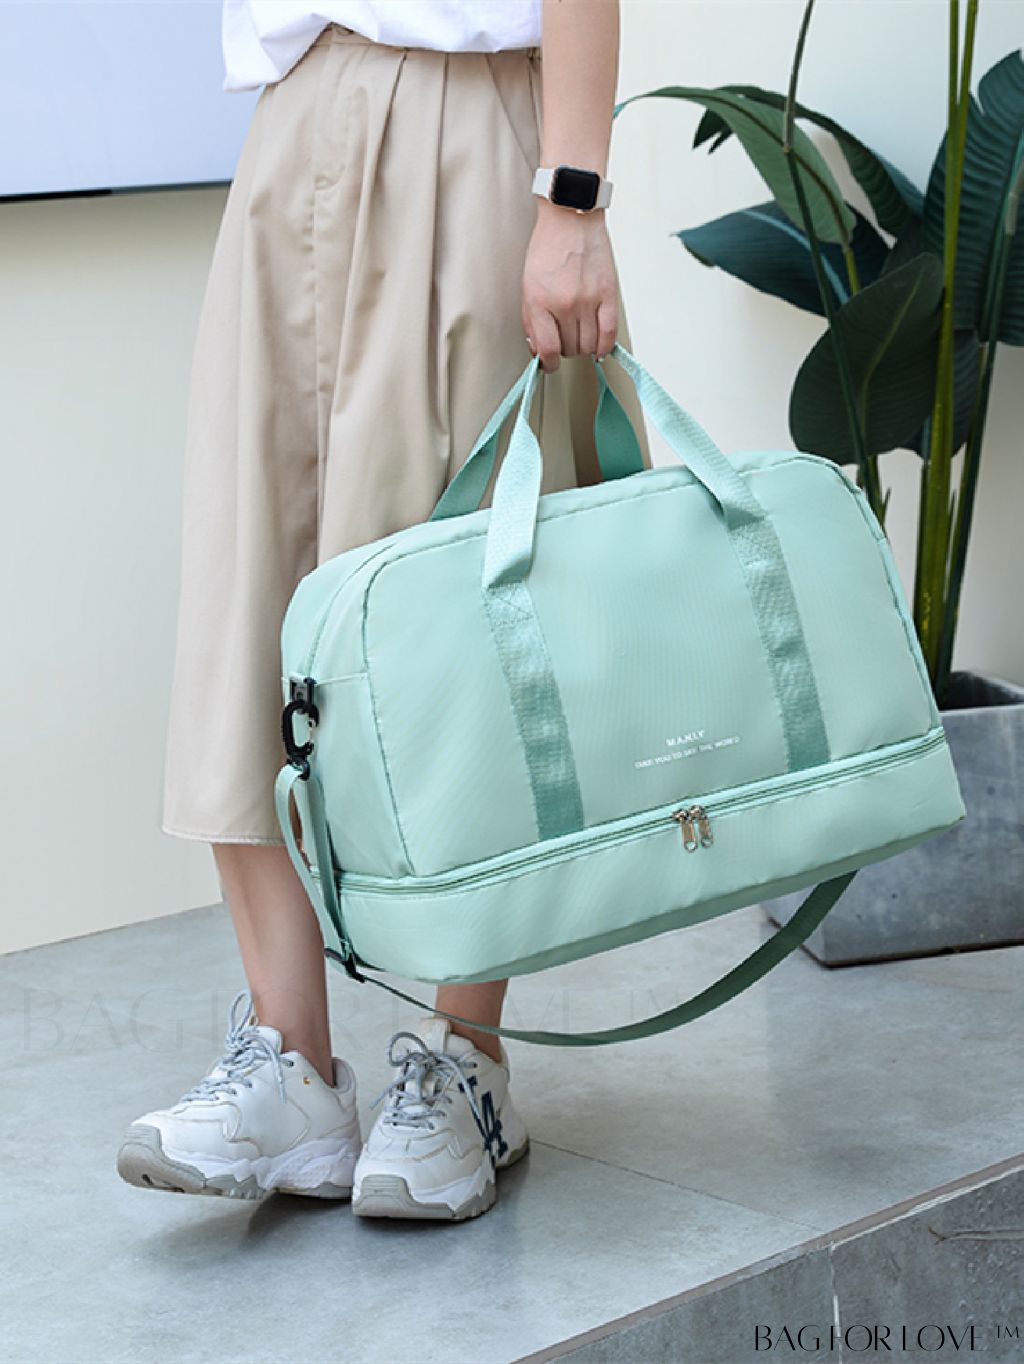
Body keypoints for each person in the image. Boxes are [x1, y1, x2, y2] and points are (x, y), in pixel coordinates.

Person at [116, 0, 649, 1221]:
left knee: (464, 608)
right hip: (298, 114)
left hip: (473, 127)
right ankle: (290, 1064)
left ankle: (468, 1060)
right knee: (250, 583)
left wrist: (572, 197)